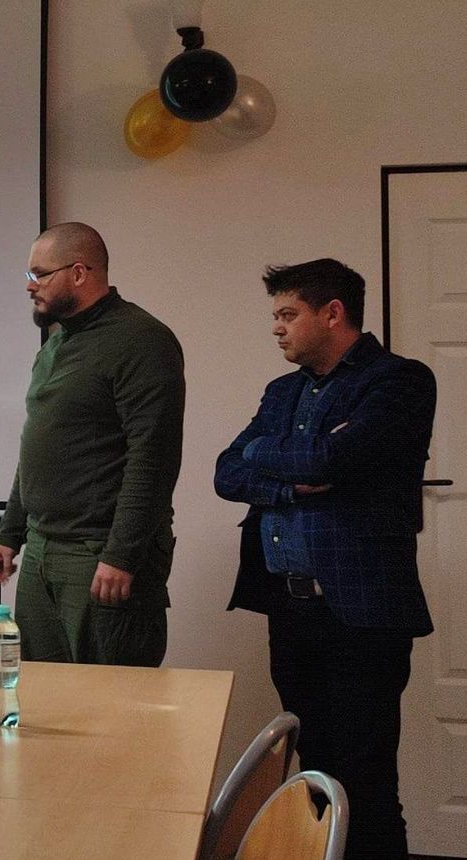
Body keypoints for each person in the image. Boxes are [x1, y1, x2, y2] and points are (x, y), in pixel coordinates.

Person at [214, 258, 435, 859]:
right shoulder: (281, 392)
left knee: (366, 779)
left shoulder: (399, 381)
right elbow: (226, 471)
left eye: (288, 314)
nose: (277, 329)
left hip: (362, 614)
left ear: (333, 313)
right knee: (313, 772)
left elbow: (331, 463)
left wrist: (282, 458)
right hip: (291, 610)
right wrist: (285, 476)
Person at [0, 222, 185, 667]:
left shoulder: (141, 340)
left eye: (39, 274)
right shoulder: (56, 345)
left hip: (98, 556)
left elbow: (152, 458)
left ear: (79, 273)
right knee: (44, 700)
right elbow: (39, 446)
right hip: (42, 553)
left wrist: (122, 555)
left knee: (111, 710)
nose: (29, 286)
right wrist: (11, 531)